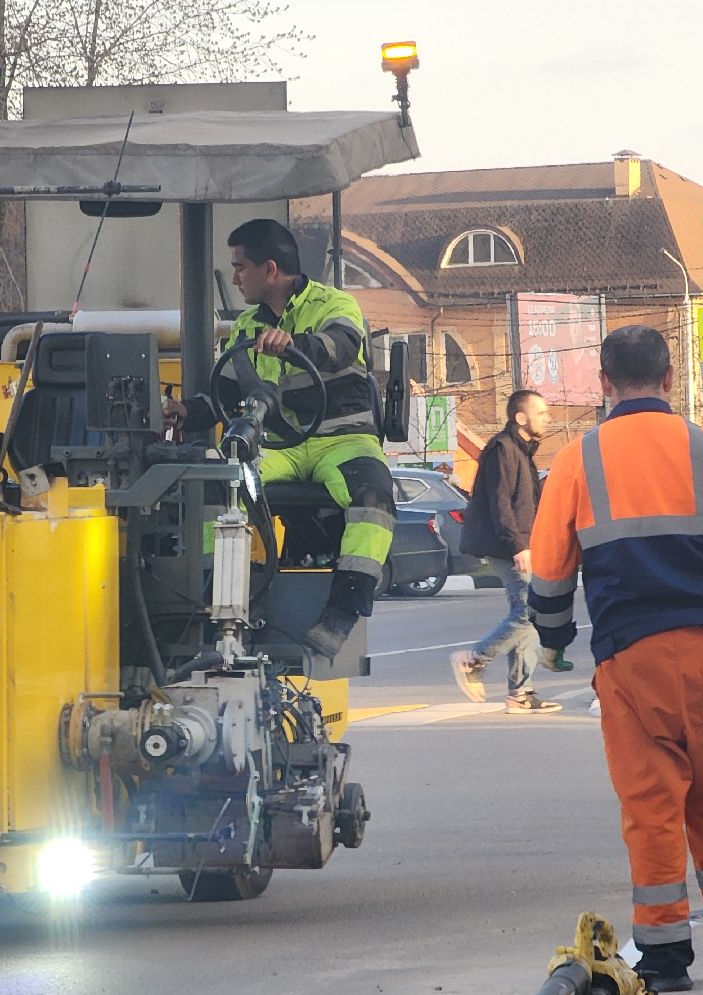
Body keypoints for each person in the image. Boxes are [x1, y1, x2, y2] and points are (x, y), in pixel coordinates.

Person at [527, 325, 703, 993]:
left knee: (652, 806)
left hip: (631, 658)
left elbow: (552, 573)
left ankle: (668, 957)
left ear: (605, 384)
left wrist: (553, 640)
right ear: (671, 379)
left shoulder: (577, 462)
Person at [163, 219, 393, 660]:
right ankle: (224, 599)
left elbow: (340, 345)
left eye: (240, 267)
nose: (234, 277)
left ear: (270, 270)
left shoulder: (335, 304)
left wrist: (294, 345)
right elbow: (226, 393)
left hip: (343, 441)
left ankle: (342, 611)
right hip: (280, 448)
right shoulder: (247, 326)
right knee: (222, 483)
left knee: (374, 497)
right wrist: (186, 411)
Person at [450, 389, 564, 714]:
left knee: (530, 615)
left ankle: (521, 693)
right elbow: (500, 502)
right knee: (528, 611)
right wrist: (518, 546)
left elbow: (527, 502)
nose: (547, 417)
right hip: (507, 544)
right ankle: (474, 661)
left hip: (522, 543)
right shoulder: (503, 449)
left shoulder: (522, 451)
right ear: (520, 418)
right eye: (540, 412)